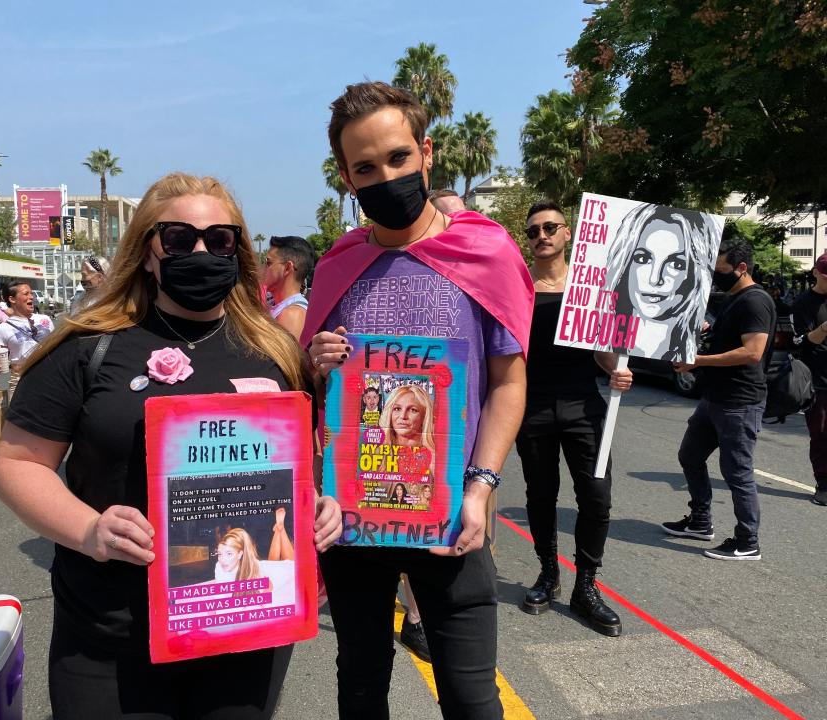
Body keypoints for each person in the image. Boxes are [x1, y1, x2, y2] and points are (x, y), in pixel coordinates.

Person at [0, 172, 342, 720]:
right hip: (112, 636)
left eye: (220, 239)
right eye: (179, 238)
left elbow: (298, 465)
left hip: (245, 632)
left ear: (239, 251)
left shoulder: (275, 352)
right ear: (147, 251)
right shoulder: (88, 348)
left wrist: (318, 506)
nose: (201, 251)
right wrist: (90, 530)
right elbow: (17, 463)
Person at [304, 81, 533, 719]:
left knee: (470, 696)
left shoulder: (485, 250)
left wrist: (481, 488)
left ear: (426, 153)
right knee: (360, 686)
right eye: (366, 167)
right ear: (347, 178)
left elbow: (509, 383)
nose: (386, 176)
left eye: (399, 158)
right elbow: (317, 393)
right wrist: (317, 364)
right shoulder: (337, 265)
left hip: (451, 510)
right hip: (354, 517)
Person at [517, 200, 633, 637]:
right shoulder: (518, 290)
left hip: (584, 407)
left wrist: (616, 371)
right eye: (533, 231)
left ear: (568, 233)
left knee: (597, 498)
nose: (541, 235)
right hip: (532, 408)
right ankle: (548, 573)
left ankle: (586, 585)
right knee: (540, 495)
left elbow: (603, 352)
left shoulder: (591, 289)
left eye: (550, 227)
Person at [664, 231, 776, 560]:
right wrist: (706, 330)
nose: (716, 276)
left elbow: (752, 352)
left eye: (721, 270)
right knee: (690, 455)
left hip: (740, 401)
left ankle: (747, 540)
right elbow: (728, 335)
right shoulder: (734, 300)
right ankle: (700, 521)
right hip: (715, 397)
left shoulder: (756, 300)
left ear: (741, 267)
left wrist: (698, 360)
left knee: (737, 471)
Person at [600, 203, 718, 362]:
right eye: (643, 259)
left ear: (695, 275)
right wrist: (612, 368)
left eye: (676, 264)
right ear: (624, 265)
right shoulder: (601, 336)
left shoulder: (690, 344)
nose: (655, 279)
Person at [791, 252, 827, 505]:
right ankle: (824, 484)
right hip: (818, 379)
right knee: (821, 433)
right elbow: (803, 342)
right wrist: (825, 328)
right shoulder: (804, 302)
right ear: (815, 272)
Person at [0, 282, 54, 397]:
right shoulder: (2, 329)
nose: (31, 296)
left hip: (48, 377)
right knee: (18, 415)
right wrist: (0, 364)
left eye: (31, 293)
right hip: (19, 380)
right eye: (26, 294)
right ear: (12, 299)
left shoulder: (45, 320)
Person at [261, 236, 313, 339]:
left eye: (268, 263)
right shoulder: (275, 305)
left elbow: (276, 355)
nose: (263, 268)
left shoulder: (292, 315)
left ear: (287, 268)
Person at [379, 384, 434, 452]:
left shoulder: (436, 456)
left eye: (413, 410)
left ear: (424, 417)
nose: (403, 416)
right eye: (397, 409)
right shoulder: (377, 452)